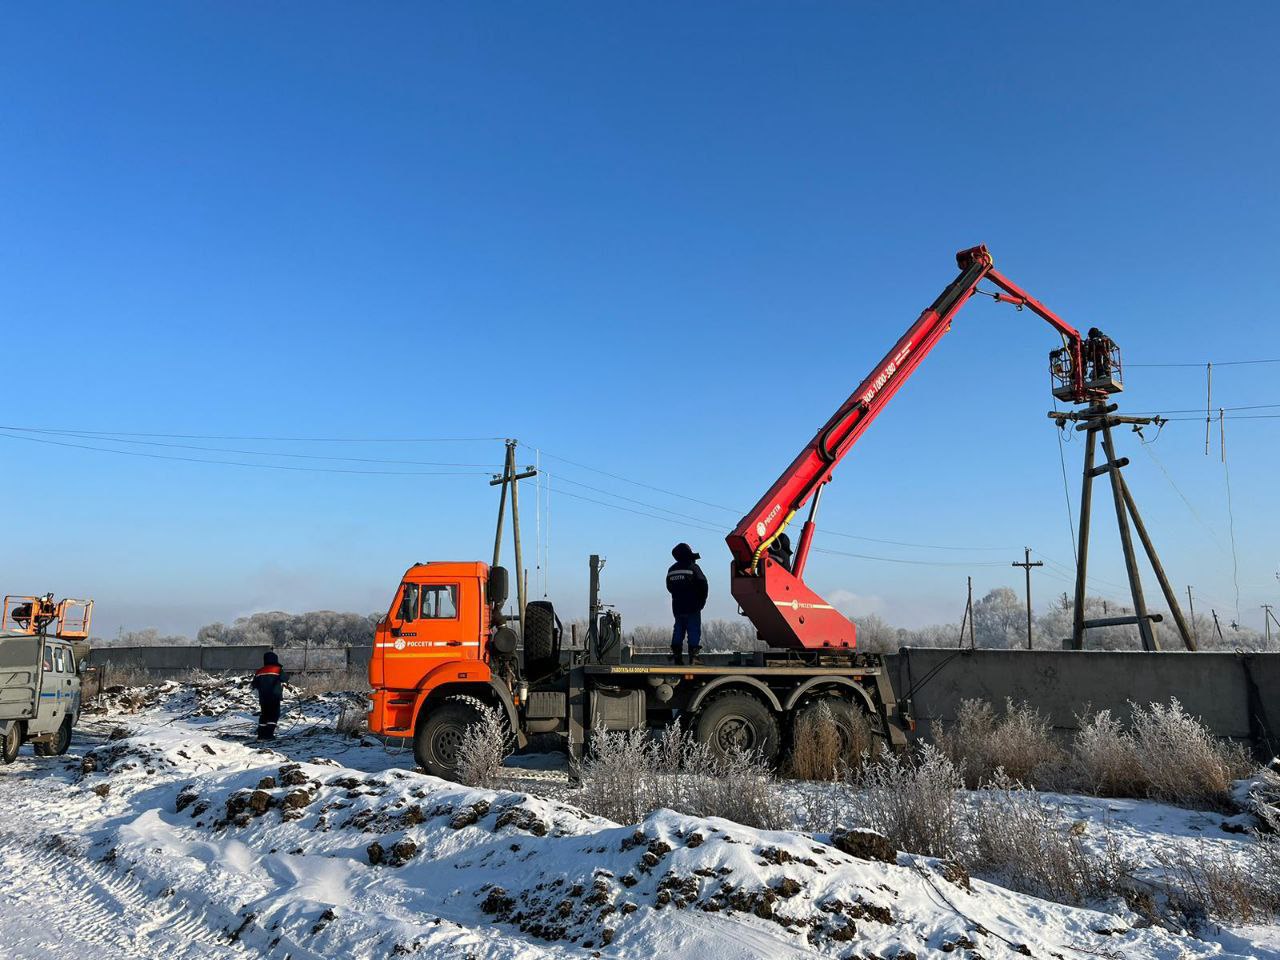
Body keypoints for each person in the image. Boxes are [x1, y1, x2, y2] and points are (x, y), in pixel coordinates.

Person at [666, 542, 708, 665]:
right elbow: (703, 585)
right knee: (693, 629)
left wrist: (678, 596)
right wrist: (701, 601)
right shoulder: (693, 568)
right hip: (693, 606)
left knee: (678, 629)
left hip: (678, 606)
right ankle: (694, 657)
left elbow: (669, 587)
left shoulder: (672, 569)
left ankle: (677, 656)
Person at [251, 651, 287, 740]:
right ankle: (269, 735)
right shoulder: (278, 670)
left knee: (264, 715)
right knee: (274, 715)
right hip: (274, 696)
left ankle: (261, 735)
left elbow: (254, 684)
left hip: (263, 698)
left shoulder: (259, 671)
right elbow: (285, 678)